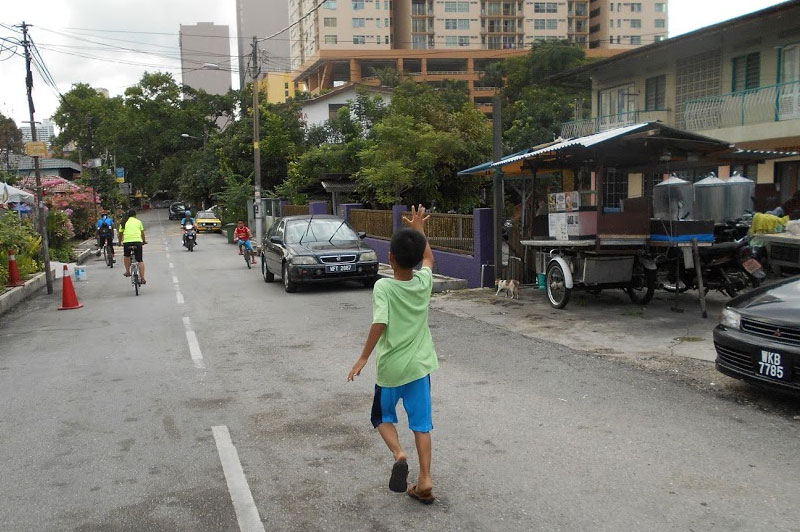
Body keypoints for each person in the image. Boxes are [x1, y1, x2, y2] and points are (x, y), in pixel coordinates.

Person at [347, 205, 439, 505]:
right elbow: (428, 258)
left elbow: (380, 322)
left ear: (390, 258)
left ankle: (399, 454)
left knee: (382, 417)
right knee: (421, 424)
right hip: (419, 369)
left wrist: (363, 358)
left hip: (390, 370)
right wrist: (418, 229)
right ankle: (425, 480)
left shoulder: (384, 286)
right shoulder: (424, 284)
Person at [118, 208, 147, 284]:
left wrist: (119, 242)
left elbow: (120, 234)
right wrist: (144, 241)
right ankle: (143, 278)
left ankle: (127, 271)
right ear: (135, 215)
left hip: (127, 242)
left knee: (126, 256)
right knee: (140, 260)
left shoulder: (123, 222)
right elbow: (142, 233)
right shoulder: (138, 222)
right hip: (138, 242)